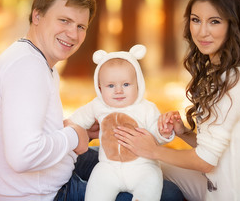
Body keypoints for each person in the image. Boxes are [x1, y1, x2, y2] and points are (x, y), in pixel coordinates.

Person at [114, 0, 240, 201]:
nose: (202, 32)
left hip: (233, 195)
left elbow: (206, 161)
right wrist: (183, 132)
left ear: (233, 24)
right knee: (142, 167)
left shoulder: (235, 78)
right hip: (213, 185)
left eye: (214, 22)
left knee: (145, 163)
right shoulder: (219, 71)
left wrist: (152, 149)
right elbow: (216, 150)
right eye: (196, 20)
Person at [0, 0, 97, 201]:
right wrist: (73, 135)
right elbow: (23, 155)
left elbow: (25, 129)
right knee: (167, 193)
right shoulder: (27, 67)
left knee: (130, 158)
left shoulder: (33, 59)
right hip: (43, 194)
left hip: (42, 182)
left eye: (81, 26)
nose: (73, 34)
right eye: (64, 20)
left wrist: (81, 132)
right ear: (37, 15)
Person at [67, 44, 175, 201]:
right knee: (97, 184)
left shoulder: (146, 108)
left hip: (142, 167)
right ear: (100, 87)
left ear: (138, 83)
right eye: (111, 86)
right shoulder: (97, 105)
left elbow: (156, 135)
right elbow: (75, 121)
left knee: (151, 183)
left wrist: (163, 132)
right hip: (108, 167)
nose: (119, 91)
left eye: (126, 84)